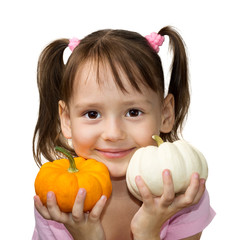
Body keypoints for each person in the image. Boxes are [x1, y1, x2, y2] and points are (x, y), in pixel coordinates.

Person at [32, 26, 215, 240]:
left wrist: (148, 231)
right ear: (66, 120)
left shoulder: (182, 191)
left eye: (133, 112)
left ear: (165, 114)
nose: (113, 133)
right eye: (92, 114)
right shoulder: (58, 198)